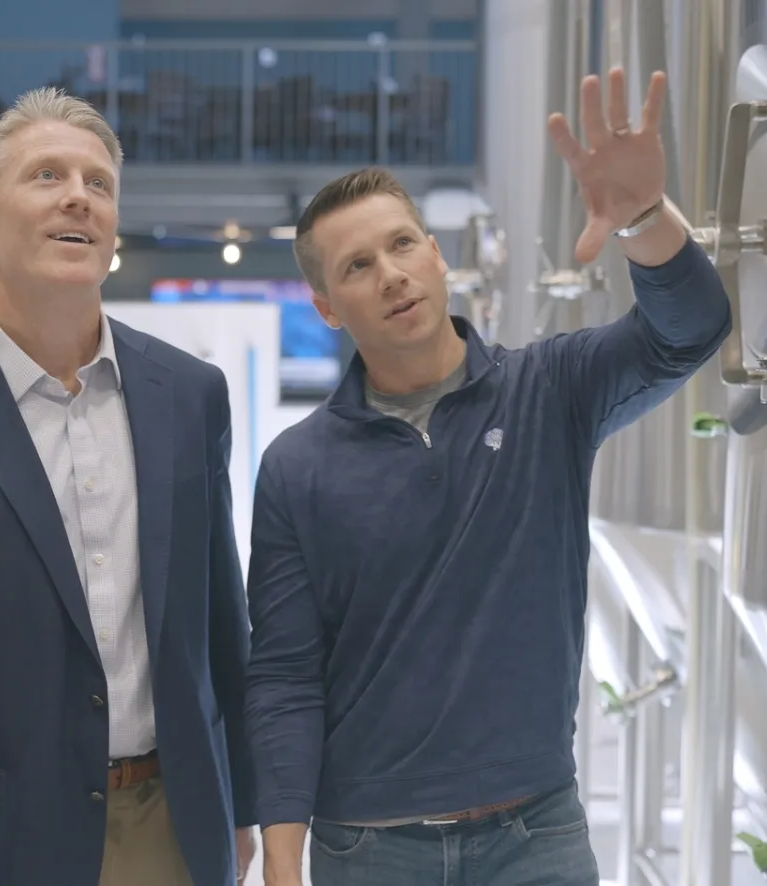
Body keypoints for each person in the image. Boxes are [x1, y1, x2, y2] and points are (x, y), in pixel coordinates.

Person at [245, 67, 731, 886]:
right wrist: (283, 867)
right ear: (327, 305)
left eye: (402, 245)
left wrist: (645, 220)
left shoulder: (550, 390)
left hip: (535, 836)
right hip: (367, 848)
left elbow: (687, 331)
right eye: (357, 266)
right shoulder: (297, 467)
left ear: (435, 256)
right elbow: (286, 675)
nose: (391, 273)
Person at [0, 86, 258, 886]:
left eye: (99, 183)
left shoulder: (190, 396)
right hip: (3, 846)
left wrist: (245, 810)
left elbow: (220, 626)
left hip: (179, 824)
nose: (79, 196)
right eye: (48, 176)